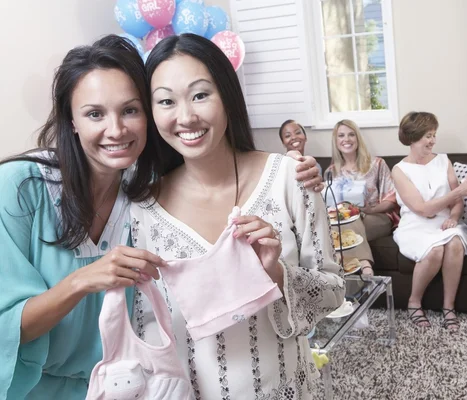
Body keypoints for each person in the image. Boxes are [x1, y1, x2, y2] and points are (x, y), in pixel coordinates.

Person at [0, 35, 324, 400]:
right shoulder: (19, 190)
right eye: (94, 114)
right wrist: (81, 281)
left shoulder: (143, 192)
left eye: (130, 110)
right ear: (71, 120)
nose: (116, 129)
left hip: (132, 387)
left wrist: (294, 172)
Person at [129, 33, 345, 399]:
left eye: (200, 95)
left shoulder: (290, 179)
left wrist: (276, 273)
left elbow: (335, 292)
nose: (186, 117)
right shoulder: (142, 211)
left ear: (227, 96)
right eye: (166, 101)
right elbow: (144, 327)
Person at [391, 112, 467, 330]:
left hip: (444, 221)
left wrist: (453, 217)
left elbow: (457, 201)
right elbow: (421, 209)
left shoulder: (443, 161)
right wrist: (459, 190)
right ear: (412, 138)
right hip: (415, 224)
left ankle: (448, 307)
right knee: (434, 250)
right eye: (427, 136)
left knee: (454, 243)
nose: (433, 140)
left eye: (434, 135)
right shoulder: (399, 170)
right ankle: (414, 301)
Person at [324, 119, 398, 275]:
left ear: (357, 138)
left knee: (349, 221)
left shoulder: (377, 164)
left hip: (377, 217)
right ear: (336, 141)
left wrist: (370, 209)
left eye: (351, 135)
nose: (347, 139)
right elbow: (328, 206)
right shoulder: (331, 172)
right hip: (343, 221)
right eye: (341, 136)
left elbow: (391, 200)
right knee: (342, 221)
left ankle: (362, 263)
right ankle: (356, 266)